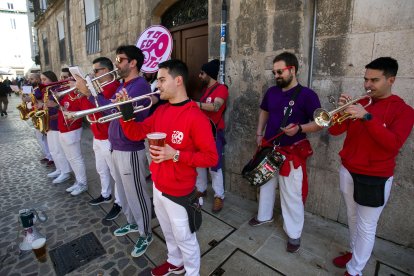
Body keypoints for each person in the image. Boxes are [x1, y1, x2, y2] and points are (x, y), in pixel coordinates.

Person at [118, 59, 218, 276]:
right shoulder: (161, 111)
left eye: (162, 80)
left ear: (178, 80)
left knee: (186, 239)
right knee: (169, 233)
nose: (157, 85)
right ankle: (175, 263)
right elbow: (136, 133)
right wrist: (126, 112)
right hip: (158, 186)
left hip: (180, 192)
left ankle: (192, 273)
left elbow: (211, 158)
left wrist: (177, 155)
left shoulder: (195, 116)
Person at [329, 57, 414, 276]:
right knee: (352, 217)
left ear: (391, 80)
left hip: (375, 176)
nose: (367, 85)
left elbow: (393, 144)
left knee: (366, 226)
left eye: (374, 80)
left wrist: (366, 117)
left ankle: (355, 270)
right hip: (348, 169)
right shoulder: (361, 104)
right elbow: (334, 132)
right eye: (366, 79)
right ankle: (354, 251)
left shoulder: (404, 111)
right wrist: (342, 112)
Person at [248, 52, 322, 254]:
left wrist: (299, 129)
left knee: (291, 194)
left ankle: (294, 233)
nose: (276, 75)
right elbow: (264, 111)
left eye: (280, 71)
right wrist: (258, 132)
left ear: (293, 70)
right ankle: (264, 216)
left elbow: (319, 123)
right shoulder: (272, 92)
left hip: (292, 153)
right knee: (266, 184)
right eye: (274, 72)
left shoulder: (308, 95)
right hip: (269, 148)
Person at [92, 45, 153, 257]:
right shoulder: (122, 85)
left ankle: (145, 232)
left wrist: (93, 94)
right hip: (116, 145)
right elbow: (111, 107)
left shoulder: (139, 86)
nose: (116, 64)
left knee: (137, 192)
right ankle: (131, 222)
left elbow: (111, 110)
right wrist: (96, 94)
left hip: (130, 148)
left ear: (133, 62)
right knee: (125, 191)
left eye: (120, 59)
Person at [75, 56, 122, 220]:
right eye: (93, 70)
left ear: (107, 71)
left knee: (116, 173)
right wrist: (82, 93)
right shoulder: (96, 86)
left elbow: (104, 109)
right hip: (97, 134)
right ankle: (105, 193)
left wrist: (87, 92)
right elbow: (86, 108)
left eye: (96, 70)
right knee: (101, 169)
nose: (93, 74)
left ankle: (120, 202)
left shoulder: (113, 86)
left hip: (109, 136)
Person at [194, 59, 229, 213]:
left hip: (214, 134)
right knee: (200, 163)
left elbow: (216, 106)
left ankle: (219, 196)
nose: (200, 76)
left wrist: (195, 104)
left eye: (202, 73)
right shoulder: (205, 90)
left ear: (209, 74)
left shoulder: (221, 89)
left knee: (214, 167)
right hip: (201, 133)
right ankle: (201, 189)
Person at [40, 71, 72, 184]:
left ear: (51, 79)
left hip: (57, 123)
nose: (42, 82)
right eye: (41, 79)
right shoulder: (47, 90)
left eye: (44, 79)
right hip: (50, 123)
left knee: (59, 150)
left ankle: (65, 172)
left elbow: (66, 108)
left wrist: (54, 105)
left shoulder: (59, 89)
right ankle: (59, 169)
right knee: (53, 150)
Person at [29, 73, 54, 165]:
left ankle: (51, 157)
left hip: (46, 115)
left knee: (46, 139)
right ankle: (48, 155)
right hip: (39, 113)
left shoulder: (40, 89)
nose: (30, 81)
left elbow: (40, 99)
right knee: (42, 139)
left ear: (37, 79)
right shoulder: (36, 88)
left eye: (32, 79)